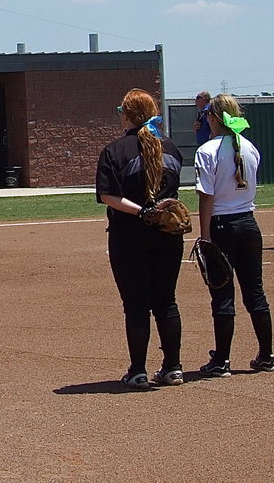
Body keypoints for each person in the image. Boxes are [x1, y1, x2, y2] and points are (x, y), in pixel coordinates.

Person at [96, 88, 185, 390]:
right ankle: (173, 368)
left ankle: (137, 371)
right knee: (166, 302)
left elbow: (109, 195)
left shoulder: (114, 151)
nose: (119, 115)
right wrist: (155, 210)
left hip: (129, 236)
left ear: (130, 115)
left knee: (136, 304)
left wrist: (142, 211)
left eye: (122, 110)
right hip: (166, 235)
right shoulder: (170, 148)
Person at [194, 94, 274, 378]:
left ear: (215, 118)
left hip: (221, 225)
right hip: (248, 224)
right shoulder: (250, 147)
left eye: (208, 114)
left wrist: (205, 236)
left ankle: (222, 360)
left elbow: (206, 197)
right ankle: (267, 355)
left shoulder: (207, 150)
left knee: (222, 295)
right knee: (255, 292)